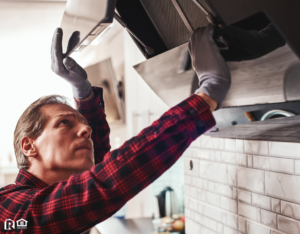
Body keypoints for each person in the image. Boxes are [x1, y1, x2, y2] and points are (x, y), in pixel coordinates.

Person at [0, 25, 230, 233]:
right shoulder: (10, 212)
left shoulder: (55, 197)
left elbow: (97, 163)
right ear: (29, 146)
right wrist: (205, 99)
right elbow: (103, 183)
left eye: (84, 126)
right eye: (63, 123)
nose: (85, 131)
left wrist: (83, 91)